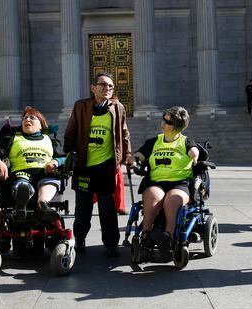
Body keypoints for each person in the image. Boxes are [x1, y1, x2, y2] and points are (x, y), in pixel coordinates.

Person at [63, 72, 132, 257]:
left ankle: (111, 244)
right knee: (83, 209)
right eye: (103, 85)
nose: (107, 89)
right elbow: (70, 132)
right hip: (84, 166)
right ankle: (80, 239)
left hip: (106, 167)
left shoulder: (117, 108)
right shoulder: (81, 106)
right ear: (93, 88)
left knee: (107, 208)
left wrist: (127, 155)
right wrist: (70, 154)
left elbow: (124, 133)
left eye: (110, 86)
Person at [133, 106, 199, 254]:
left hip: (180, 183)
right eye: (163, 120)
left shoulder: (185, 141)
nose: (162, 124)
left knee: (172, 200)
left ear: (176, 126)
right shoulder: (154, 141)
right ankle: (146, 235)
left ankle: (167, 236)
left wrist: (194, 155)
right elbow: (140, 154)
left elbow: (194, 151)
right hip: (157, 182)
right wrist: (135, 160)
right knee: (152, 198)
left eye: (167, 122)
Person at [0, 106, 66, 220]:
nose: (27, 120)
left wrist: (56, 161)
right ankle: (21, 204)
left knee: (50, 179)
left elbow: (62, 158)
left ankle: (43, 205)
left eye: (32, 118)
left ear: (41, 125)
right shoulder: (13, 137)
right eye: (24, 118)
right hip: (21, 173)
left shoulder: (47, 139)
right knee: (22, 182)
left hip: (44, 173)